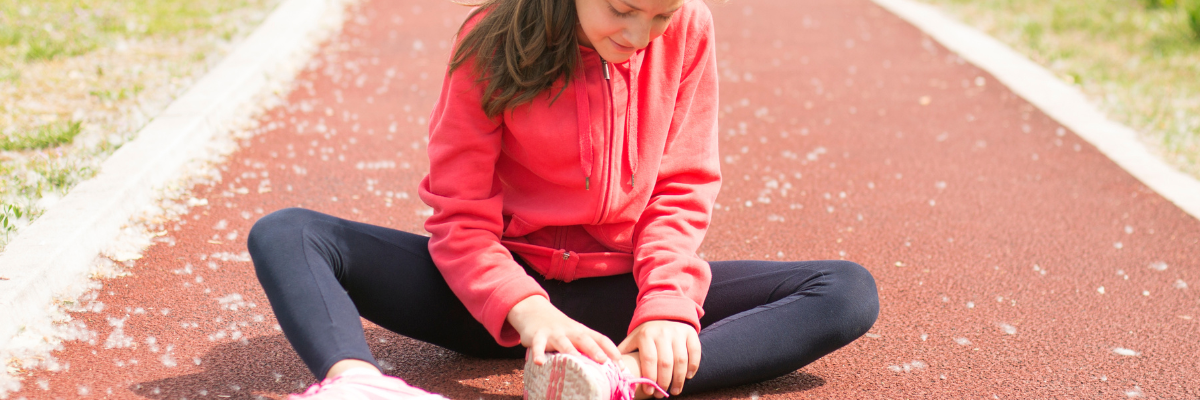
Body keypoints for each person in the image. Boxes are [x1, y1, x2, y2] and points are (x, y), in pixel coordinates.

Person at [247, 0, 880, 398]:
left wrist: (665, 309)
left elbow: (680, 191)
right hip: (492, 302)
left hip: (616, 302)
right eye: (622, 9)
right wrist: (528, 310)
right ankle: (356, 386)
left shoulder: (688, 29)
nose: (640, 34)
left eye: (660, 17)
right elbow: (460, 216)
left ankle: (621, 384)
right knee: (287, 232)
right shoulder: (489, 38)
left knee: (846, 290)